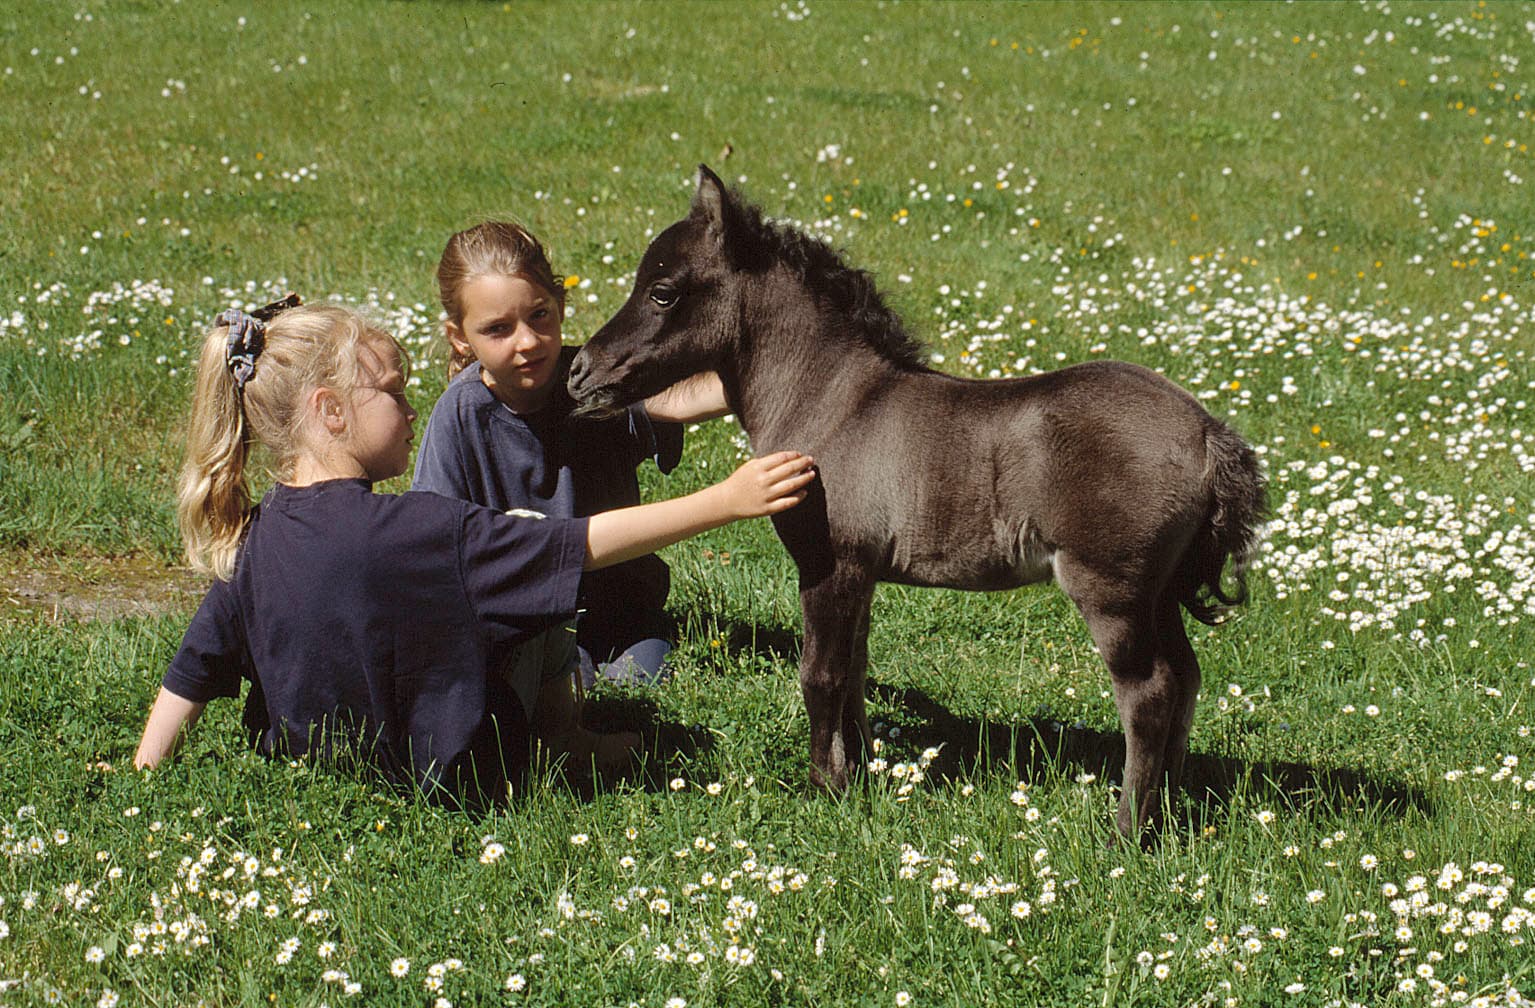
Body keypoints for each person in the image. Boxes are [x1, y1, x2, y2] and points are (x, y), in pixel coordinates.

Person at [132, 297, 812, 809]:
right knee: (535, 573)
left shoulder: (254, 535)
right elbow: (576, 545)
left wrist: (145, 773)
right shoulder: (422, 530)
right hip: (457, 776)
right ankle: (565, 744)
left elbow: (194, 669)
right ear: (331, 412)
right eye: (394, 392)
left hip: (315, 772)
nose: (409, 409)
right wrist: (724, 500)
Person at [413, 221, 730, 689]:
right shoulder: (458, 418)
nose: (526, 341)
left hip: (623, 617)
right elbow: (433, 551)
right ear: (460, 338)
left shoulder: (594, 383)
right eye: (497, 329)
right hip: (528, 625)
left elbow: (682, 399)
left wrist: (779, 369)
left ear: (560, 305)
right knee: (561, 695)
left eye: (539, 315)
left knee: (635, 684)